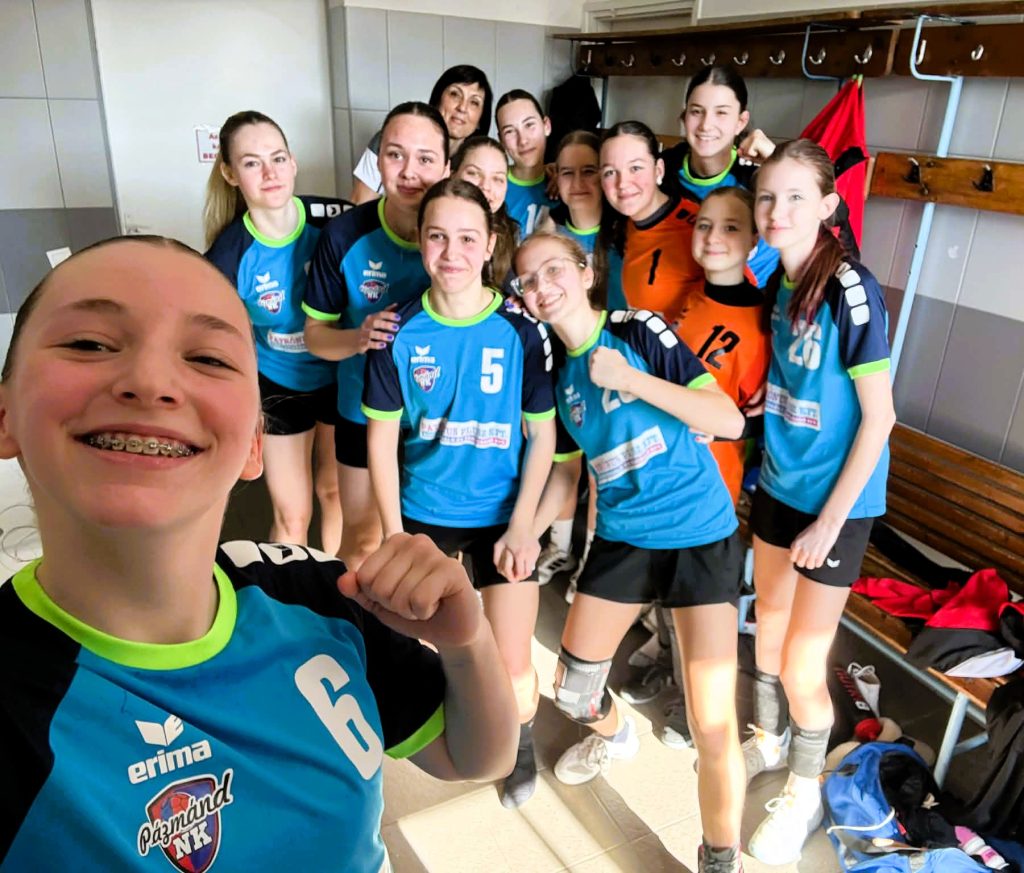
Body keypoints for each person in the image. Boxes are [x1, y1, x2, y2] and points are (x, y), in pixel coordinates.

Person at [0, 235, 518, 871]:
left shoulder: (316, 594)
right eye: (89, 344)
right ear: (5, 413)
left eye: (208, 358)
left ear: (254, 444)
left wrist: (468, 645)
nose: (151, 382)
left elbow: (475, 757)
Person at [515, 231, 749, 873]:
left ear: (585, 272)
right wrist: (527, 531)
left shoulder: (636, 330)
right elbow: (566, 474)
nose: (543, 287)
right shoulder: (553, 375)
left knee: (712, 721)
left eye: (554, 270)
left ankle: (720, 859)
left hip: (699, 535)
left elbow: (727, 420)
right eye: (529, 281)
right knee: (574, 692)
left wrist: (631, 380)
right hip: (622, 539)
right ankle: (617, 738)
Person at [363, 179, 556, 810]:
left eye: (468, 238)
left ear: (491, 243)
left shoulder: (521, 330)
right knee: (433, 646)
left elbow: (543, 434)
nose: (452, 253)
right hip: (425, 513)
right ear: (420, 242)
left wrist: (524, 525)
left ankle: (519, 741)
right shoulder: (398, 330)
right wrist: (394, 534)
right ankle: (457, 729)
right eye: (438, 237)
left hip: (501, 518)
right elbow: (382, 439)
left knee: (514, 662)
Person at [744, 139, 895, 865]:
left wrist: (830, 521)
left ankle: (804, 791)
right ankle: (769, 739)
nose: (777, 211)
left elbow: (880, 417)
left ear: (829, 206)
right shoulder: (779, 275)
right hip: (780, 481)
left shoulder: (850, 287)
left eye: (796, 197)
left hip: (837, 502)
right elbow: (799, 376)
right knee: (767, 628)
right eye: (767, 197)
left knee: (805, 661)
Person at [623, 187, 771, 747]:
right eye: (704, 224)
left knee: (700, 604)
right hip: (662, 471)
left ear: (754, 239)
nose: (712, 237)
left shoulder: (762, 322)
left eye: (730, 227)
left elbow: (761, 417)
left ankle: (698, 709)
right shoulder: (691, 299)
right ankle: (670, 667)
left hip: (709, 487)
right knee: (666, 590)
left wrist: (737, 426)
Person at [304, 102, 449, 570]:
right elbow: (315, 336)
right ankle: (349, 617)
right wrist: (359, 338)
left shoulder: (460, 234)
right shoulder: (345, 235)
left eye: (425, 158)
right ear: (377, 162)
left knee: (436, 544)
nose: (409, 171)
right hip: (361, 411)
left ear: (446, 166)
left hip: (438, 419)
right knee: (364, 540)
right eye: (395, 155)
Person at [204, 110, 345, 553]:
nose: (270, 173)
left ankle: (338, 587)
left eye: (278, 158)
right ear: (230, 174)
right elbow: (211, 341)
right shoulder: (228, 257)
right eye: (252, 163)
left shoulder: (334, 219)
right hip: (280, 385)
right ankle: (292, 591)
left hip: (341, 376)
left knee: (334, 492)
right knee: (292, 515)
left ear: (293, 162)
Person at [534, 130, 625, 595]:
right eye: (567, 172)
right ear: (555, 178)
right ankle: (560, 545)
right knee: (563, 457)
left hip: (615, 366)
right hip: (563, 364)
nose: (579, 182)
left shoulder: (625, 231)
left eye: (589, 171)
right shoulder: (548, 233)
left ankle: (592, 557)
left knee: (601, 467)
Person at [659, 66, 778, 286]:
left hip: (760, 299)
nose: (706, 125)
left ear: (741, 122)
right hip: (683, 296)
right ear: (685, 117)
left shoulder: (760, 173)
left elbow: (829, 214)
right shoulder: (662, 171)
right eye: (697, 111)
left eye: (721, 113)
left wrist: (778, 162)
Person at [600, 121, 703, 327]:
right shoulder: (621, 224)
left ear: (659, 170)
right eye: (610, 172)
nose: (622, 183)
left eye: (635, 168)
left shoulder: (698, 228)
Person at [350, 65, 492, 204]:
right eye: (454, 94)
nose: (462, 108)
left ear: (481, 119)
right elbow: (360, 203)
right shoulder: (391, 140)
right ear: (437, 100)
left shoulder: (481, 161)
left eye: (474, 102)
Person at [450, 136, 518, 289]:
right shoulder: (431, 226)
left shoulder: (511, 233)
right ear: (452, 175)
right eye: (474, 173)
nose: (486, 186)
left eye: (497, 179)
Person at [495, 89, 559, 238]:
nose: (523, 140)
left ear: (546, 126)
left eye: (529, 124)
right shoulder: (493, 186)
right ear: (501, 140)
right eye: (510, 131)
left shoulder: (565, 184)